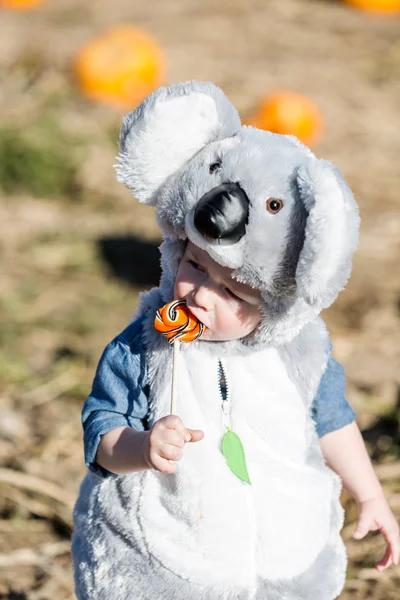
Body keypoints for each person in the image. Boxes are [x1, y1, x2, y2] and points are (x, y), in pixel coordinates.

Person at [71, 81, 399, 600]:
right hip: (171, 558)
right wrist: (142, 447)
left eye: (232, 293)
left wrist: (371, 493)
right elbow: (101, 436)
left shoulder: (300, 353)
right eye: (195, 265)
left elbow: (332, 421)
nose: (202, 296)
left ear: (279, 304)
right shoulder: (143, 348)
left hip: (283, 564)